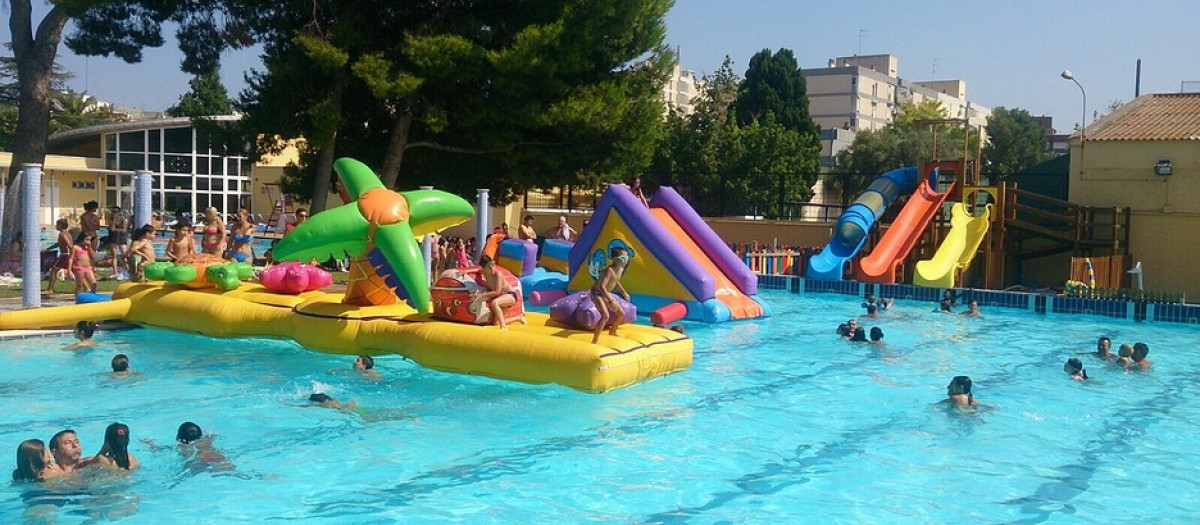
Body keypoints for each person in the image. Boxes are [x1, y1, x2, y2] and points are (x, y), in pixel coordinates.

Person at [588, 247, 631, 344]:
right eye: (623, 258)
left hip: (606, 294)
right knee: (605, 316)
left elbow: (616, 281)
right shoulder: (609, 270)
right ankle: (595, 340)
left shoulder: (620, 269)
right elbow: (602, 287)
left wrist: (624, 292)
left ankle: (613, 331)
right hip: (597, 293)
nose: (625, 260)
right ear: (615, 259)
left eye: (626, 258)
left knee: (621, 314)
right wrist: (610, 300)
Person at [477, 255, 524, 329]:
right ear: (485, 269)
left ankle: (503, 326)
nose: (492, 268)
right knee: (496, 323)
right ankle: (518, 318)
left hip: (510, 296)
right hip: (502, 298)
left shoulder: (498, 275)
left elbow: (497, 292)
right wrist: (465, 272)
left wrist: (481, 295)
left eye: (493, 265)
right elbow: (477, 270)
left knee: (494, 303)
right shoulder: (484, 273)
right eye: (489, 267)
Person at [46, 218, 74, 293]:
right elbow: (58, 244)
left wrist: (70, 249)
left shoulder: (62, 234)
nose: (56, 226)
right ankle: (87, 288)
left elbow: (70, 245)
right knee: (76, 270)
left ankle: (50, 289)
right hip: (68, 255)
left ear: (61, 226)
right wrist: (48, 248)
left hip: (65, 255)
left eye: (57, 224)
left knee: (53, 270)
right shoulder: (67, 233)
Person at [106, 206, 130, 274]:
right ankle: (115, 272)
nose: (114, 213)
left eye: (116, 212)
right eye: (113, 212)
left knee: (125, 254)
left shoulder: (123, 219)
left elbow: (124, 230)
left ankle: (128, 269)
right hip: (113, 238)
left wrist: (116, 230)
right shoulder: (110, 219)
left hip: (121, 238)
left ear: (119, 212)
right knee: (114, 255)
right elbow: (112, 229)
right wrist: (114, 220)